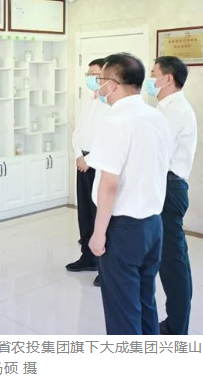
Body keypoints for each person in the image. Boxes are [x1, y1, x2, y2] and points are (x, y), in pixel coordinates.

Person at [86, 53, 170, 335]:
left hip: (123, 228)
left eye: (100, 79)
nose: (98, 85)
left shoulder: (114, 121)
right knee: (145, 301)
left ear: (112, 84)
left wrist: (98, 233)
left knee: (123, 311)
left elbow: (109, 184)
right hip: (153, 226)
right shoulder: (156, 117)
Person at [146, 56, 197, 335]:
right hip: (166, 185)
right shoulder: (165, 108)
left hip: (169, 187)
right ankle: (176, 322)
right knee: (173, 259)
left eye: (153, 73)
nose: (149, 79)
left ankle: (177, 328)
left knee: (172, 262)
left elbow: (159, 155)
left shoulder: (174, 110)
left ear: (167, 78)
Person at [67, 58, 109, 287]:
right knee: (84, 211)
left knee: (100, 214)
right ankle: (88, 257)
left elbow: (107, 139)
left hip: (99, 165)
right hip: (82, 162)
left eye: (95, 74)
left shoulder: (110, 104)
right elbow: (77, 132)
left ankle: (105, 267)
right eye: (89, 73)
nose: (91, 78)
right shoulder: (87, 102)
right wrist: (78, 156)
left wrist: (89, 160)